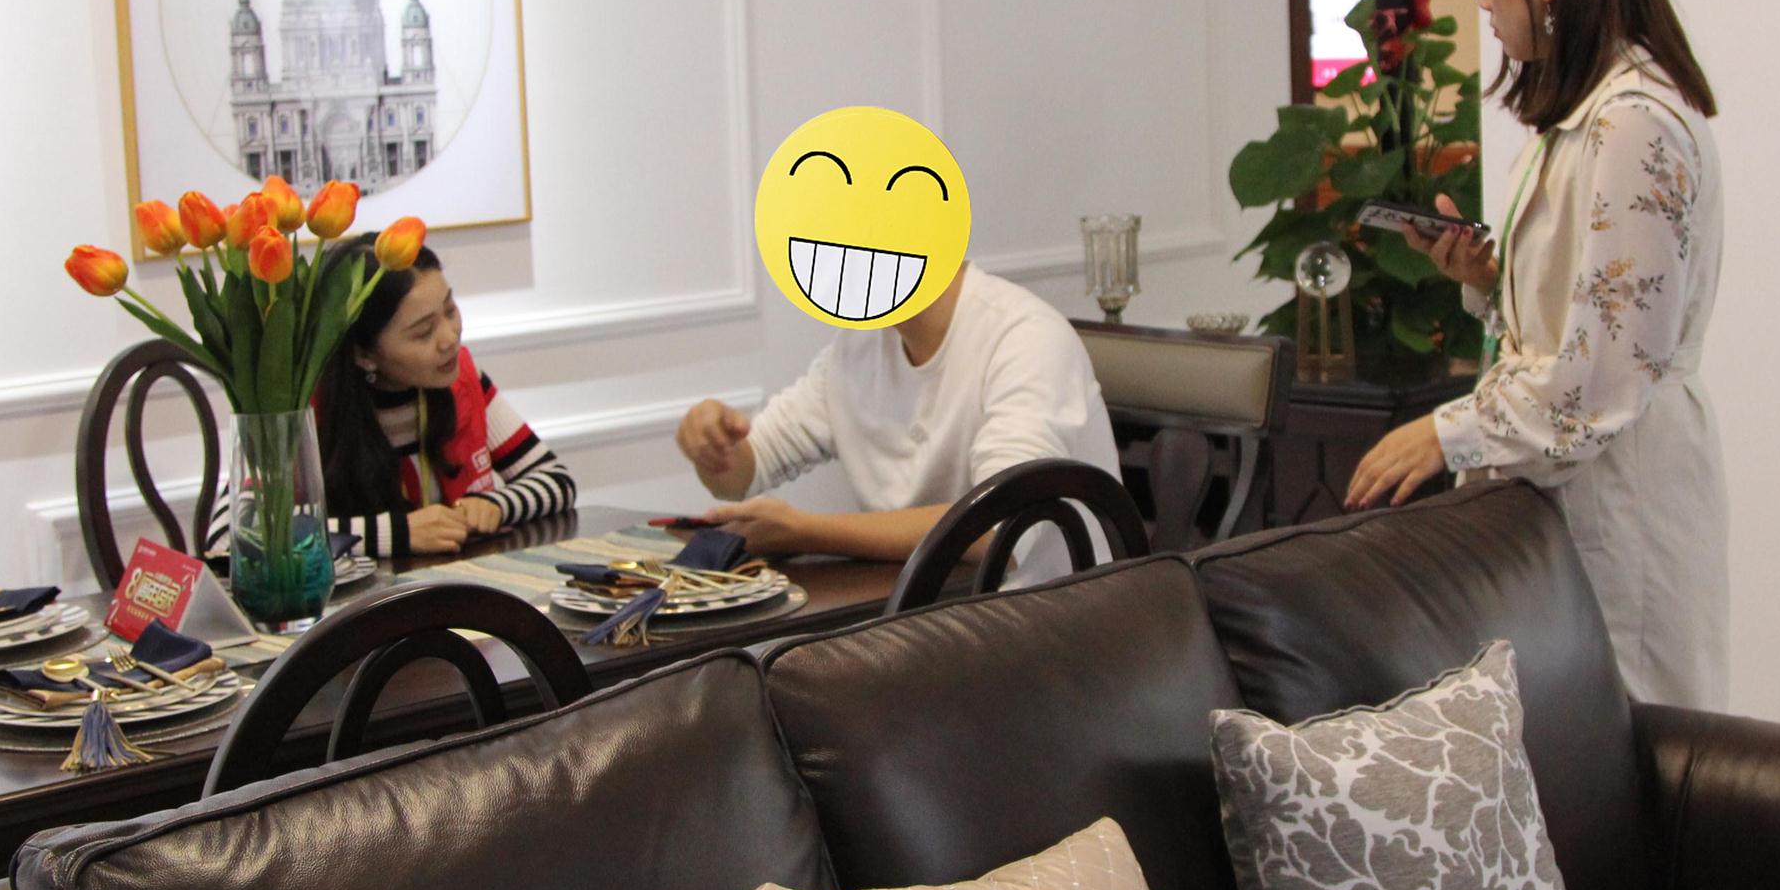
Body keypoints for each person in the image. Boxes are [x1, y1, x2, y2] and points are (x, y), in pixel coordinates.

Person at [1344, 0, 1729, 708]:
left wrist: (1444, 434)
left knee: (1630, 737)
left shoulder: (1633, 126)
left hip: (1622, 497)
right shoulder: (1581, 117)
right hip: (1573, 490)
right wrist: (1487, 279)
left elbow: (1603, 376)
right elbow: (1578, 315)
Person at [675, 262, 1120, 588]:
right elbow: (742, 474)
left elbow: (996, 526)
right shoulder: (858, 345)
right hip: (929, 625)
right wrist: (714, 445)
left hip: (1060, 633)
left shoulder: (1027, 337)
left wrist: (806, 532)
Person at [209, 233, 575, 560]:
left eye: (450, 310)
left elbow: (556, 480)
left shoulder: (462, 379)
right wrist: (398, 534)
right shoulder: (300, 407)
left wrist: (496, 503)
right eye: (423, 332)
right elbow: (231, 535)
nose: (450, 338)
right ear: (363, 354)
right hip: (352, 607)